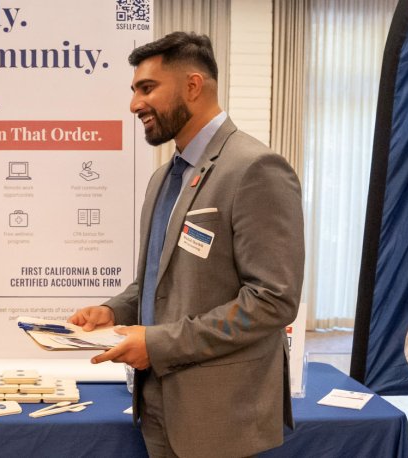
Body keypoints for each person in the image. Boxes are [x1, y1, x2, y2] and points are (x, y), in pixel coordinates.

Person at [68, 32, 304, 457]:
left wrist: (158, 344)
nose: (135, 104)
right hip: (156, 406)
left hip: (220, 420)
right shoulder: (164, 178)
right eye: (135, 90)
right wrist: (114, 310)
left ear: (193, 86)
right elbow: (157, 282)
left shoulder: (254, 168)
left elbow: (272, 300)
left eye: (147, 88)